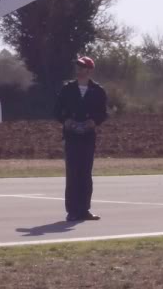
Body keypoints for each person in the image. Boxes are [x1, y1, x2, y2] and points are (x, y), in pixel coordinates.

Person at [54, 56, 108, 221]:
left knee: (85, 173)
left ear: (89, 70)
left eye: (82, 67)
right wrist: (67, 121)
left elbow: (103, 113)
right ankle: (72, 211)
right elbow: (57, 110)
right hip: (71, 136)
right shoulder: (67, 89)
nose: (79, 70)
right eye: (77, 67)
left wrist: (93, 122)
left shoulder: (98, 90)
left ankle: (84, 210)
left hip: (87, 136)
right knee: (72, 173)